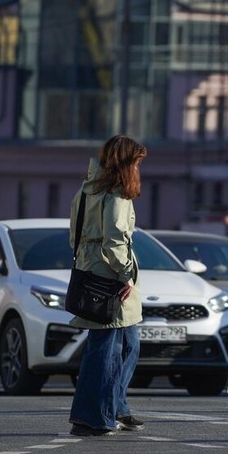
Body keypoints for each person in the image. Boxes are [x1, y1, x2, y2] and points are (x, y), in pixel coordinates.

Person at [68, 135, 147, 436]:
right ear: (126, 163)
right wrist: (126, 274)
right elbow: (114, 242)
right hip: (111, 279)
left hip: (92, 272)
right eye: (137, 163)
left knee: (127, 345)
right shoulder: (116, 195)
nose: (138, 169)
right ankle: (93, 417)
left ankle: (115, 407)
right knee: (106, 350)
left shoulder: (86, 190)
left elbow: (74, 236)